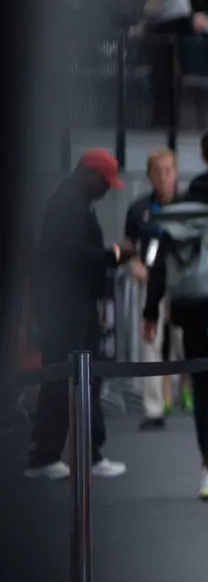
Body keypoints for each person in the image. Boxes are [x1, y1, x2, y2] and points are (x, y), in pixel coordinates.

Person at [145, 126, 208, 501]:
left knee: (202, 385)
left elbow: (159, 263)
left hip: (188, 306)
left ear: (201, 157)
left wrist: (151, 309)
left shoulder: (181, 204)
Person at [25, 149, 134, 480]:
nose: (105, 191)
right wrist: (115, 254)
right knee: (65, 378)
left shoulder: (71, 203)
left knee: (75, 378)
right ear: (90, 175)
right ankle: (52, 454)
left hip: (71, 307)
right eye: (104, 183)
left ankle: (75, 452)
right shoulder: (69, 207)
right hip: (66, 308)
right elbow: (79, 258)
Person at [125, 148, 179, 430]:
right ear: (149, 175)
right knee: (151, 344)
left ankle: (197, 398)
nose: (163, 177)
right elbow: (129, 245)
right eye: (157, 171)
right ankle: (154, 409)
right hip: (151, 284)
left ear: (176, 172)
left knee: (187, 342)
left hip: (183, 285)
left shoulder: (187, 204)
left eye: (168, 170)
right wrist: (133, 262)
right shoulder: (138, 209)